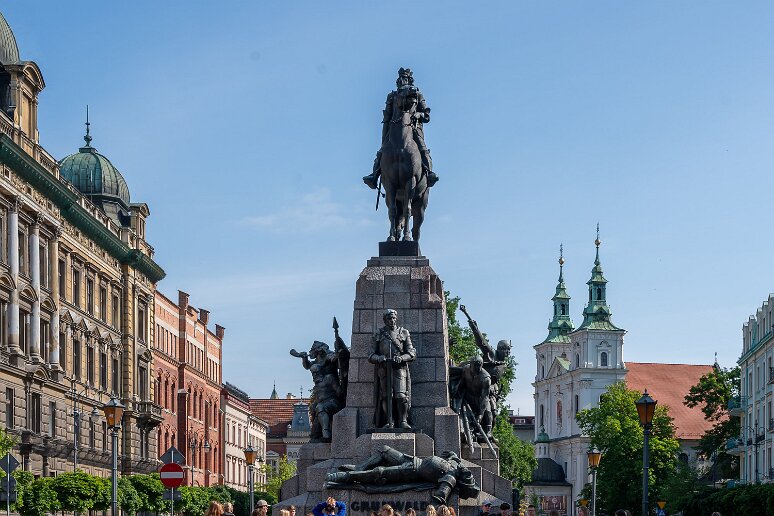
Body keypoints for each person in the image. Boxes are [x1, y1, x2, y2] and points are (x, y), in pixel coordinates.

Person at [363, 68, 439, 190]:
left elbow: (427, 115)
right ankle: (374, 175)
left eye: (405, 78)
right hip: (394, 127)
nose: (401, 81)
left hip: (413, 127)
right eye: (400, 79)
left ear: (409, 79)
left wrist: (419, 115)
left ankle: (429, 173)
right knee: (382, 150)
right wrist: (385, 134)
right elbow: (387, 117)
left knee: (422, 148)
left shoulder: (417, 94)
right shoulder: (392, 96)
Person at [369, 309, 416, 429]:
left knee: (401, 396)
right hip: (384, 369)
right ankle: (389, 421)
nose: (392, 320)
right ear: (385, 320)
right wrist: (379, 358)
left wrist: (402, 358)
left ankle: (403, 421)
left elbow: (411, 353)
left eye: (394, 318)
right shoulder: (379, 333)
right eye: (389, 318)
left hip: (399, 369)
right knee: (386, 396)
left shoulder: (403, 332)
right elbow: (370, 355)